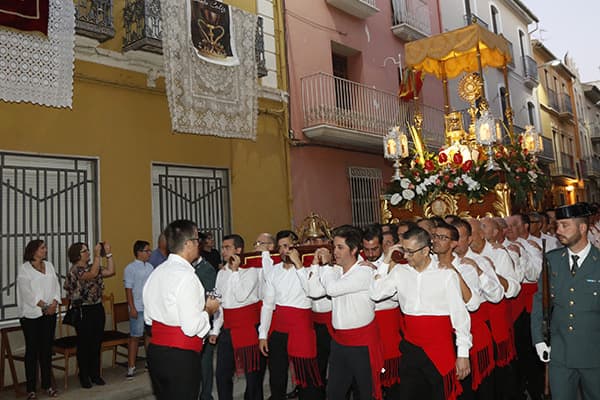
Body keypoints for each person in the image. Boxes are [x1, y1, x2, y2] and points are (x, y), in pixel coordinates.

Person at [371, 227, 471, 400]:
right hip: (411, 348)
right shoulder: (400, 272)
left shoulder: (446, 275)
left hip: (439, 348)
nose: (406, 256)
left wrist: (463, 354)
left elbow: (460, 316)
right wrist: (386, 261)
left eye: (410, 252)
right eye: (404, 250)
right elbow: (375, 293)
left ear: (425, 250)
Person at [143, 219, 220, 400]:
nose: (199, 244)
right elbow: (191, 327)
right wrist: (208, 310)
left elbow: (148, 320)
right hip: (180, 356)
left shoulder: (156, 273)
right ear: (188, 244)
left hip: (156, 353)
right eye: (196, 240)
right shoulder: (187, 277)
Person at [531, 203, 600, 399]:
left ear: (582, 228)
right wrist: (538, 340)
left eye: (564, 225)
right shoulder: (552, 260)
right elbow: (539, 302)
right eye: (557, 225)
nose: (558, 231)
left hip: (594, 353)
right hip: (559, 353)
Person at [315, 225, 383, 400]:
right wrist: (318, 267)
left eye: (340, 247)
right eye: (334, 247)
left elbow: (331, 289)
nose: (335, 252)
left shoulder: (364, 271)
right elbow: (314, 292)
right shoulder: (337, 270)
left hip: (361, 343)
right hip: (339, 342)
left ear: (353, 250)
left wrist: (328, 266)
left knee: (367, 393)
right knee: (334, 393)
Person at [258, 230, 323, 400]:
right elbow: (267, 305)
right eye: (280, 247)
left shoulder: (309, 268)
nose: (283, 251)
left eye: (287, 246)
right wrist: (263, 334)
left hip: (301, 328)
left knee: (307, 376)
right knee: (277, 377)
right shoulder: (274, 271)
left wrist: (298, 266)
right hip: (279, 329)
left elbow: (312, 291)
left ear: (296, 246)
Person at [212, 234, 265, 400]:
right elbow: (219, 303)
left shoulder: (251, 271)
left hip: (248, 327)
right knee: (222, 374)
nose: (223, 251)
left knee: (253, 377)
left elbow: (241, 295)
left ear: (238, 250)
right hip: (228, 328)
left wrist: (235, 271)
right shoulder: (221, 273)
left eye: (227, 247)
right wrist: (215, 329)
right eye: (222, 247)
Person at [64, 241, 116, 389]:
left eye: (88, 250)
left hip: (97, 307)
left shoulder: (93, 266)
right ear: (76, 255)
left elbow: (111, 271)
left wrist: (109, 254)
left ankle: (95, 374)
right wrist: (97, 255)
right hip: (83, 310)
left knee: (96, 342)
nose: (87, 253)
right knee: (85, 344)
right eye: (84, 251)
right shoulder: (75, 270)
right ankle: (84, 375)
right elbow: (92, 274)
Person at [17, 240, 61, 399]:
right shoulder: (24, 269)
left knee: (46, 350)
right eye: (42, 248)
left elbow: (56, 285)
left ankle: (47, 385)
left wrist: (54, 302)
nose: (45, 250)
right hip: (32, 315)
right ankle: (31, 388)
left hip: (49, 314)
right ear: (34, 250)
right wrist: (44, 306)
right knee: (32, 351)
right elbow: (27, 293)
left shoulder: (49, 266)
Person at [123, 240, 154, 379]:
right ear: (139, 252)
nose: (149, 253)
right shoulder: (130, 268)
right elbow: (128, 289)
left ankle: (150, 361)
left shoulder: (150, 267)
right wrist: (132, 307)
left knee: (149, 335)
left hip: (149, 307)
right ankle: (131, 366)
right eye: (147, 251)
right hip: (137, 306)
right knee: (135, 337)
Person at [193, 232, 218, 400]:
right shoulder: (189, 269)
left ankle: (206, 395)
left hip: (204, 323)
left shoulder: (206, 269)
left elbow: (210, 300)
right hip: (190, 324)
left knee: (205, 364)